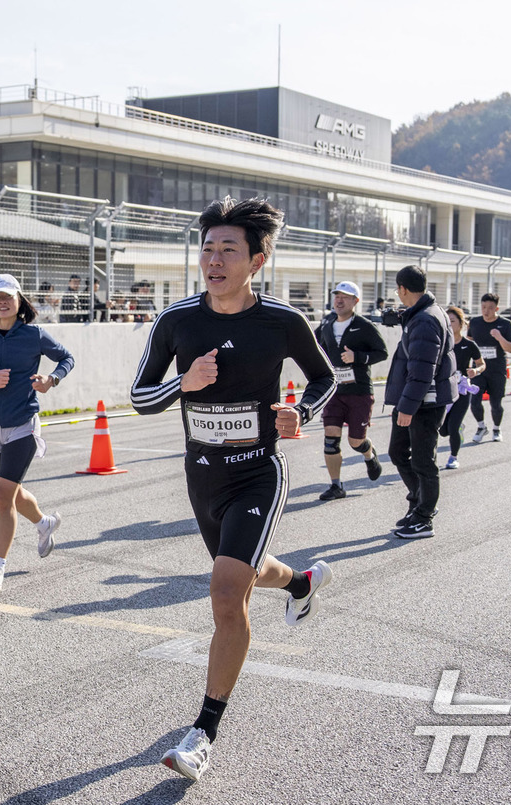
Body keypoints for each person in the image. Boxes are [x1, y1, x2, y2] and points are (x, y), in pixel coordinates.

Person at [129, 197, 335, 783]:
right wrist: (183, 381)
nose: (214, 260)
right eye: (208, 248)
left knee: (226, 593)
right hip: (202, 477)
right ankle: (300, 582)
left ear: (257, 260)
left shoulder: (280, 322)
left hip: (257, 471)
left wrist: (300, 411)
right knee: (242, 570)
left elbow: (323, 378)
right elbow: (139, 399)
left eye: (229, 250)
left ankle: (203, 734)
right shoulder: (177, 322)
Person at [0, 273, 72, 593]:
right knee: (11, 492)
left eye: (8, 296)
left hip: (22, 424)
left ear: (20, 300)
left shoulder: (34, 334)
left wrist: (52, 379)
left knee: (2, 495)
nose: (2, 302)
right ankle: (44, 523)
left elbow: (66, 358)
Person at [384, 266, 456, 539]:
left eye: (397, 290)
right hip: (415, 399)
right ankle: (418, 504)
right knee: (398, 452)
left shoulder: (425, 319)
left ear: (403, 288)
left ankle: (425, 517)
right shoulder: (421, 314)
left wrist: (407, 407)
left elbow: (423, 369)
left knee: (424, 461)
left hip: (424, 402)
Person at [314, 280, 386, 500]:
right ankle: (336, 486)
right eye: (337, 295)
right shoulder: (327, 323)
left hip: (359, 392)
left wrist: (358, 357)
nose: (339, 300)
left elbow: (381, 352)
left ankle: (368, 453)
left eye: (345, 296)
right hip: (334, 392)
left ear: (355, 301)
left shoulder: (364, 326)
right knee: (330, 439)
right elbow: (314, 345)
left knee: (355, 441)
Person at [467, 292, 511, 442]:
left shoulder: (505, 324)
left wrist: (499, 337)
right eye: (483, 307)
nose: (486, 311)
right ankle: (481, 427)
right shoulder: (474, 323)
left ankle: (496, 428)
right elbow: (468, 343)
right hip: (479, 368)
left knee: (496, 403)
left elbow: (510, 348)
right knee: (474, 400)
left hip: (497, 369)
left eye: (490, 307)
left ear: (497, 308)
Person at [441, 306, 483, 470]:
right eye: (447, 321)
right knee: (442, 430)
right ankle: (458, 428)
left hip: (462, 389)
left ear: (461, 323)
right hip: (444, 388)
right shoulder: (442, 344)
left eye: (453, 321)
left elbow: (481, 364)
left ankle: (453, 457)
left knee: (453, 426)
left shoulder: (469, 345)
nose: (450, 324)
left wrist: (476, 370)